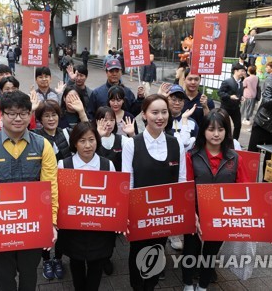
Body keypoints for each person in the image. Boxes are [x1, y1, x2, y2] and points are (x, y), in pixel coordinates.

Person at [0, 90, 59, 291]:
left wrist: (51, 223)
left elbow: (51, 188)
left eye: (23, 113)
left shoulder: (43, 146)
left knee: (29, 276)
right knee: (4, 279)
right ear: (1, 115)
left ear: (30, 115)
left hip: (31, 225)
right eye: (11, 113)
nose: (18, 118)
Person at [122, 94, 186, 291]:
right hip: (140, 213)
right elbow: (128, 180)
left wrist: (180, 215)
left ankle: (150, 285)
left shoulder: (176, 143)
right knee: (137, 251)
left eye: (164, 112)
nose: (160, 117)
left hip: (164, 214)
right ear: (144, 114)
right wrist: (127, 214)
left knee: (158, 250)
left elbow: (181, 180)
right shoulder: (132, 143)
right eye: (154, 112)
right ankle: (137, 286)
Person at [182, 109, 250, 291]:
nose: (216, 134)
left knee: (211, 252)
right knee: (190, 249)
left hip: (221, 216)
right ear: (203, 130)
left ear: (227, 131)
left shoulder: (235, 158)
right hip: (194, 213)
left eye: (221, 129)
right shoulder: (192, 156)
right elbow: (186, 188)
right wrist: (191, 214)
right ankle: (188, 284)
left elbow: (244, 189)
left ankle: (203, 286)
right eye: (211, 129)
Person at [57, 121, 116, 291]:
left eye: (91, 140)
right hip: (73, 229)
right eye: (82, 141)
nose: (88, 145)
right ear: (74, 143)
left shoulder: (107, 165)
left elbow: (113, 197)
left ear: (97, 140)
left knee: (96, 265)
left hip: (100, 228)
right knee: (76, 263)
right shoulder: (64, 165)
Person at [33, 100, 71, 280]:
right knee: (45, 226)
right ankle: (46, 259)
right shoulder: (34, 137)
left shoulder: (66, 133)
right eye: (46, 115)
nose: (51, 118)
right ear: (39, 119)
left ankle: (58, 258)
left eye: (54, 114)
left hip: (65, 190)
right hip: (42, 191)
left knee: (62, 227)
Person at [94, 106, 133, 172]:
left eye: (112, 120)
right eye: (105, 120)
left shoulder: (121, 139)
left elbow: (136, 149)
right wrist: (98, 136)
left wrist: (132, 134)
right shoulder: (93, 139)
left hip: (117, 178)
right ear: (97, 121)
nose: (109, 124)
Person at [218, 63, 245, 140]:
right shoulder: (227, 81)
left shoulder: (241, 82)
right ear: (235, 71)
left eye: (244, 71)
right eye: (242, 71)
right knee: (223, 124)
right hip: (225, 107)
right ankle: (223, 139)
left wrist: (241, 97)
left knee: (238, 125)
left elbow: (239, 93)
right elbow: (220, 93)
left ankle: (235, 141)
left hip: (236, 108)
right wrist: (229, 96)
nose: (243, 73)